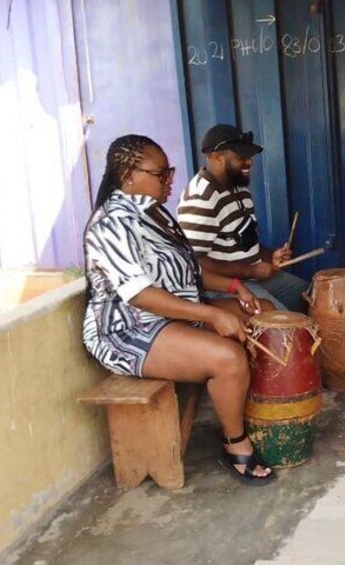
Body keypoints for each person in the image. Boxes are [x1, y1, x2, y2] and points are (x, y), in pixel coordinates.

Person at [83, 134, 275, 486]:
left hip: (174, 316)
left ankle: (266, 410)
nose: (170, 180)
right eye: (161, 174)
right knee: (228, 357)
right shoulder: (112, 224)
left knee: (261, 311)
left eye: (169, 171)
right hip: (130, 333)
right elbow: (139, 294)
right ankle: (235, 443)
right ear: (128, 174)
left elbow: (190, 270)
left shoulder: (153, 214)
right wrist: (213, 315)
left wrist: (236, 288)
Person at [177, 124, 310, 313]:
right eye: (241, 157)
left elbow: (243, 239)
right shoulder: (201, 198)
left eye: (249, 157)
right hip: (224, 288)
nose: (249, 162)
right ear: (217, 158)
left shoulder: (238, 186)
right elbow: (194, 262)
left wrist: (269, 255)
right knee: (284, 326)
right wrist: (250, 271)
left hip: (252, 277)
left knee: (311, 296)